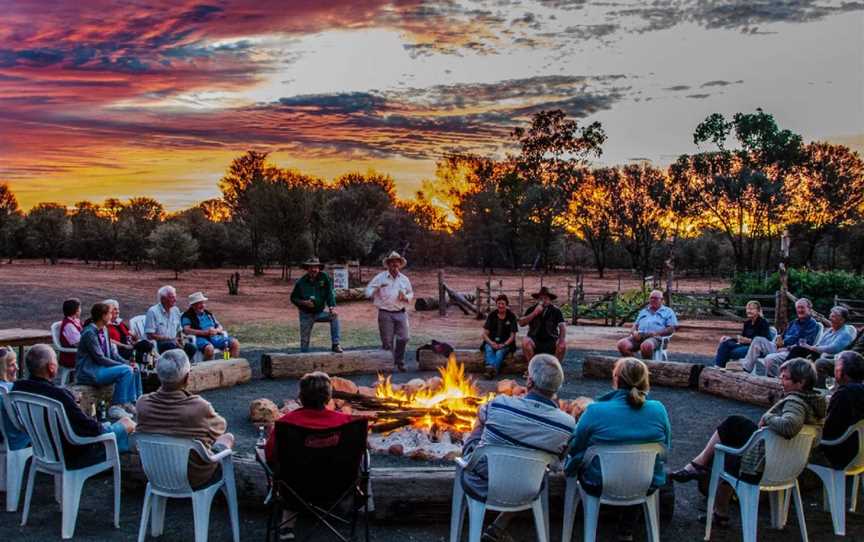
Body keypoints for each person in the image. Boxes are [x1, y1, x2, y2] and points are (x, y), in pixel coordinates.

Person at [671, 358, 826, 526]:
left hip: (770, 464)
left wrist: (768, 417)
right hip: (790, 462)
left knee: (726, 454)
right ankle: (699, 468)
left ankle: (712, 497)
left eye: (786, 378)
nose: (781, 380)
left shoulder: (796, 402)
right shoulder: (815, 402)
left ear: (801, 382)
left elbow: (790, 426)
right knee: (735, 423)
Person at [460, 354, 575, 542]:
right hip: (528, 486)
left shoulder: (499, 404)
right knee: (536, 463)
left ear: (529, 381)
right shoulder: (567, 424)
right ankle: (497, 527)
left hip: (482, 481)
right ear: (557, 388)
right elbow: (557, 463)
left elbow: (481, 414)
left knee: (482, 423)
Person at [564, 357, 671, 541]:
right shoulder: (658, 410)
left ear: (616, 379)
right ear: (645, 381)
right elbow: (665, 449)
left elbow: (575, 447)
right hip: (644, 483)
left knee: (587, 463)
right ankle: (626, 531)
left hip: (599, 484)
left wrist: (570, 465)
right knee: (637, 466)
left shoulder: (595, 411)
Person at [264, 371, 355, 541]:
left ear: (301, 396)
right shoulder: (347, 423)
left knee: (290, 472)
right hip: (338, 487)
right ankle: (364, 508)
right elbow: (358, 453)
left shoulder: (286, 423)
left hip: (294, 489)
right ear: (328, 398)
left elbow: (270, 455)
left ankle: (286, 526)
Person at [12, 344, 135, 467]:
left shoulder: (18, 388)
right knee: (127, 423)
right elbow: (89, 429)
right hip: (73, 454)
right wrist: (109, 426)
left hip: (43, 449)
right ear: (51, 367)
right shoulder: (59, 396)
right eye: (55, 359)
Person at [136, 350, 235, 488]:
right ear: (187, 377)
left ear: (159, 376)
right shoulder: (199, 407)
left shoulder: (142, 403)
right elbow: (221, 427)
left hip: (155, 473)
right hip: (193, 477)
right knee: (227, 437)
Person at [75, 303, 143, 420]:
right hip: (91, 371)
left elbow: (112, 355)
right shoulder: (89, 333)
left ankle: (131, 401)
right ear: (103, 316)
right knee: (126, 370)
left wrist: (126, 362)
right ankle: (116, 406)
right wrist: (123, 365)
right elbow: (100, 358)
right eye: (110, 313)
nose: (112, 316)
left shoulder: (104, 329)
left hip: (102, 368)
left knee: (134, 367)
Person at [810, 351, 864, 469]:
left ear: (841, 372)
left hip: (839, 455)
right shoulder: (858, 390)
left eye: (836, 367)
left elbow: (829, 430)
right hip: (859, 454)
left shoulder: (845, 394)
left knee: (796, 447)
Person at [741, 298, 821, 376]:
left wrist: (787, 348)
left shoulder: (811, 324)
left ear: (809, 309)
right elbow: (782, 335)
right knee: (758, 340)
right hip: (779, 347)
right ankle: (746, 369)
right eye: (798, 308)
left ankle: (775, 382)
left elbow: (804, 344)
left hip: (791, 352)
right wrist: (778, 340)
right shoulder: (793, 322)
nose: (799, 310)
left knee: (770, 359)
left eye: (802, 307)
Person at [365, 251, 413, 371]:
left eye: (397, 262)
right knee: (387, 342)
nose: (395, 264)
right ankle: (388, 364)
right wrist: (373, 291)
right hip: (385, 313)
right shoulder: (380, 277)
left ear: (400, 264)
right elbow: (368, 290)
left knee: (404, 338)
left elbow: (411, 292)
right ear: (388, 264)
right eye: (392, 262)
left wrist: (406, 297)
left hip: (401, 312)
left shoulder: (405, 279)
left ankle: (399, 360)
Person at [787, 306, 854, 386]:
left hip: (833, 357)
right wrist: (810, 347)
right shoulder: (830, 330)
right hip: (821, 353)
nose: (830, 318)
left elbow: (833, 348)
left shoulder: (845, 333)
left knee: (816, 360)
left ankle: (819, 386)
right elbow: (820, 343)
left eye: (833, 317)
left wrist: (813, 348)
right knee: (798, 349)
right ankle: (790, 376)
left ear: (842, 320)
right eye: (830, 316)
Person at [290, 258, 342, 354]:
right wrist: (304, 303)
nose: (313, 269)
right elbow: (293, 298)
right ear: (307, 268)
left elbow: (329, 293)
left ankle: (336, 344)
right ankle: (304, 358)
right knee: (304, 340)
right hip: (306, 315)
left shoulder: (324, 277)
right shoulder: (301, 282)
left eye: (315, 267)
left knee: (334, 316)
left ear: (319, 268)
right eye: (311, 267)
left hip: (319, 313)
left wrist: (331, 307)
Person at [617, 290, 678, 360]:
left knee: (646, 346)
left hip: (657, 338)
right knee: (622, 344)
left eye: (655, 298)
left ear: (662, 300)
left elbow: (671, 328)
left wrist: (656, 333)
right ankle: (635, 364)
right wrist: (634, 333)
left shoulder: (668, 311)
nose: (652, 300)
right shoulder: (644, 311)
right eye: (651, 298)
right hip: (640, 336)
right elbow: (635, 325)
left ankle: (647, 367)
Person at [181, 292, 241, 360]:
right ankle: (209, 368)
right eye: (199, 303)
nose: (202, 305)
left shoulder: (208, 314)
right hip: (200, 338)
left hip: (215, 337)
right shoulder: (187, 316)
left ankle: (228, 362)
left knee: (235, 343)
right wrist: (204, 332)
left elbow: (219, 326)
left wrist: (216, 330)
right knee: (209, 349)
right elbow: (187, 330)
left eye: (203, 303)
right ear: (193, 305)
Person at [713, 300, 772, 367]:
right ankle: (718, 367)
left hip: (756, 349)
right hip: (745, 344)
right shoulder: (747, 323)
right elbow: (743, 337)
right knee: (725, 343)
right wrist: (731, 338)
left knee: (733, 351)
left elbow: (764, 341)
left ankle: (721, 367)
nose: (749, 311)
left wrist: (748, 340)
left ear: (758, 311)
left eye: (751, 309)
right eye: (747, 309)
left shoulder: (763, 323)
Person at [144, 285, 197, 358]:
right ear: (163, 299)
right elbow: (150, 335)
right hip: (161, 344)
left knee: (191, 348)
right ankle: (177, 367)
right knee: (173, 348)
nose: (175, 300)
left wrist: (180, 340)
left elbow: (179, 330)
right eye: (172, 297)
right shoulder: (153, 311)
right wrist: (168, 339)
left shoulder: (176, 310)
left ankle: (185, 366)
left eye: (175, 297)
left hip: (174, 342)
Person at [519, 286, 566, 362]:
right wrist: (535, 313)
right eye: (541, 298)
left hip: (551, 339)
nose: (543, 300)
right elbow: (521, 323)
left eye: (546, 298)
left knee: (562, 345)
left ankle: (554, 369)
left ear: (550, 300)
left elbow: (562, 326)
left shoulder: (556, 310)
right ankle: (532, 368)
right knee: (525, 341)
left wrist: (561, 340)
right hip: (534, 339)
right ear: (538, 299)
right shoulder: (531, 309)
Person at [103, 299, 154, 365]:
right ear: (108, 311)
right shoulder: (105, 325)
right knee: (141, 355)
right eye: (114, 309)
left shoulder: (119, 323)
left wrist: (135, 339)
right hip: (119, 350)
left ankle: (151, 368)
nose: (118, 311)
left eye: (118, 309)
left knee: (147, 344)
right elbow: (107, 339)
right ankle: (149, 366)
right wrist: (124, 345)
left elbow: (130, 335)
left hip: (129, 346)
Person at [480, 294, 518, 378]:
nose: (500, 306)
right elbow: (484, 334)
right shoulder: (492, 315)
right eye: (499, 303)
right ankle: (493, 370)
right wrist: (491, 343)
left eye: (503, 304)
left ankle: (490, 370)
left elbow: (512, 336)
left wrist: (504, 344)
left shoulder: (511, 316)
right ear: (496, 304)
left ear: (506, 305)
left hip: (505, 343)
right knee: (489, 349)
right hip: (492, 341)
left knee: (499, 352)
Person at [0, 347, 30, 451]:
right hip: (16, 442)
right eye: (11, 365)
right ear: (2, 368)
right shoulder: (10, 391)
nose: (17, 368)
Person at [58, 298, 83, 369]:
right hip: (71, 356)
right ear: (76, 311)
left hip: (77, 353)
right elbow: (78, 343)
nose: (81, 310)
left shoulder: (76, 321)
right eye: (79, 308)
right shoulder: (69, 325)